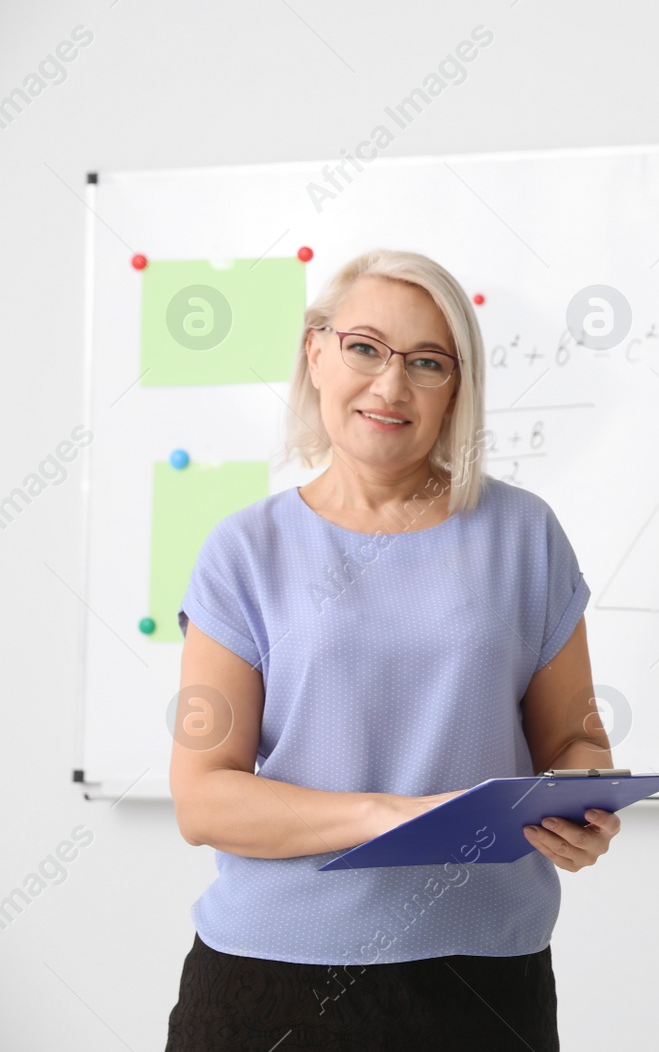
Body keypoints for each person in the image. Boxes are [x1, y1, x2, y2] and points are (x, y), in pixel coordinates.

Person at [163, 249, 616, 1050]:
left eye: (427, 362)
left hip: (484, 980)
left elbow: (576, 741)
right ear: (316, 352)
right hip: (272, 979)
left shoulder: (525, 535)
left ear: (458, 390)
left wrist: (582, 802)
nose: (390, 384)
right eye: (364, 347)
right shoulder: (244, 550)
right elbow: (204, 798)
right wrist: (389, 815)